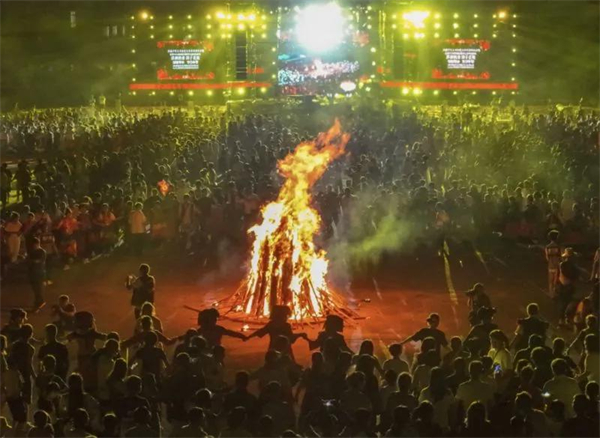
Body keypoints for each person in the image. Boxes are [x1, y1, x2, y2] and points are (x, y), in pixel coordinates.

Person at [27, 237, 46, 311]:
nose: (33, 246)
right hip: (32, 272)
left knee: (38, 288)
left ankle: (39, 301)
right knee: (35, 288)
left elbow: (39, 261)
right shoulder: (32, 252)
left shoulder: (42, 252)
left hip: (39, 272)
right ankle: (38, 300)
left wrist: (32, 261)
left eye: (34, 245)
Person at [545, 230, 562, 297]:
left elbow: (547, 258)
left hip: (550, 265)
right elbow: (560, 257)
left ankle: (551, 293)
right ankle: (555, 293)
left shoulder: (547, 247)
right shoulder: (558, 247)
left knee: (550, 281)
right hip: (557, 265)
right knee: (556, 281)